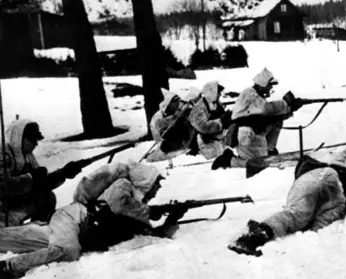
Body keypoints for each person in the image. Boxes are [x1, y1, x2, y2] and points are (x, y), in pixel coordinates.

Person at [228, 128, 346, 256]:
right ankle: (255, 237)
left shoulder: (341, 153)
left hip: (310, 179)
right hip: (325, 179)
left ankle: (257, 234)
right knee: (299, 216)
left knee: (296, 217)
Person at [0, 162, 187, 278]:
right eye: (156, 184)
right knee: (67, 251)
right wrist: (149, 211)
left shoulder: (136, 206)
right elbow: (117, 202)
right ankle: (8, 268)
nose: (157, 190)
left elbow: (152, 234)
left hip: (72, 227)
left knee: (9, 238)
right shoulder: (124, 184)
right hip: (74, 218)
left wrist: (172, 218)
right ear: (146, 180)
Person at [212, 68, 303, 170]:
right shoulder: (250, 94)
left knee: (276, 121)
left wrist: (290, 109)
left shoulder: (257, 97)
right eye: (270, 84)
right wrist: (286, 103)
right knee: (258, 165)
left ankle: (270, 149)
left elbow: (271, 115)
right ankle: (229, 161)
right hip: (245, 135)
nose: (271, 87)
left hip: (251, 134)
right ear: (262, 84)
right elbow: (266, 108)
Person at [0, 119, 82, 227]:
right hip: (3, 209)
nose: (36, 144)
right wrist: (31, 177)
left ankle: (39, 228)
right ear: (20, 139)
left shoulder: (27, 156)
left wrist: (62, 174)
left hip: (18, 203)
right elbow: (4, 186)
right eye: (32, 140)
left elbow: (42, 184)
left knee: (47, 196)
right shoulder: (3, 154)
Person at [147, 89, 200, 162]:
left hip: (181, 141)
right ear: (170, 103)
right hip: (166, 143)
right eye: (176, 102)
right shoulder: (158, 116)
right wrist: (175, 118)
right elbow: (160, 131)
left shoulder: (178, 111)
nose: (178, 104)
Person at [188, 81, 232, 160]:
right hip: (204, 145)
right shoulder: (199, 108)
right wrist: (221, 122)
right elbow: (203, 127)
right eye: (218, 92)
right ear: (212, 93)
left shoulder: (216, 103)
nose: (220, 95)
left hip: (218, 141)